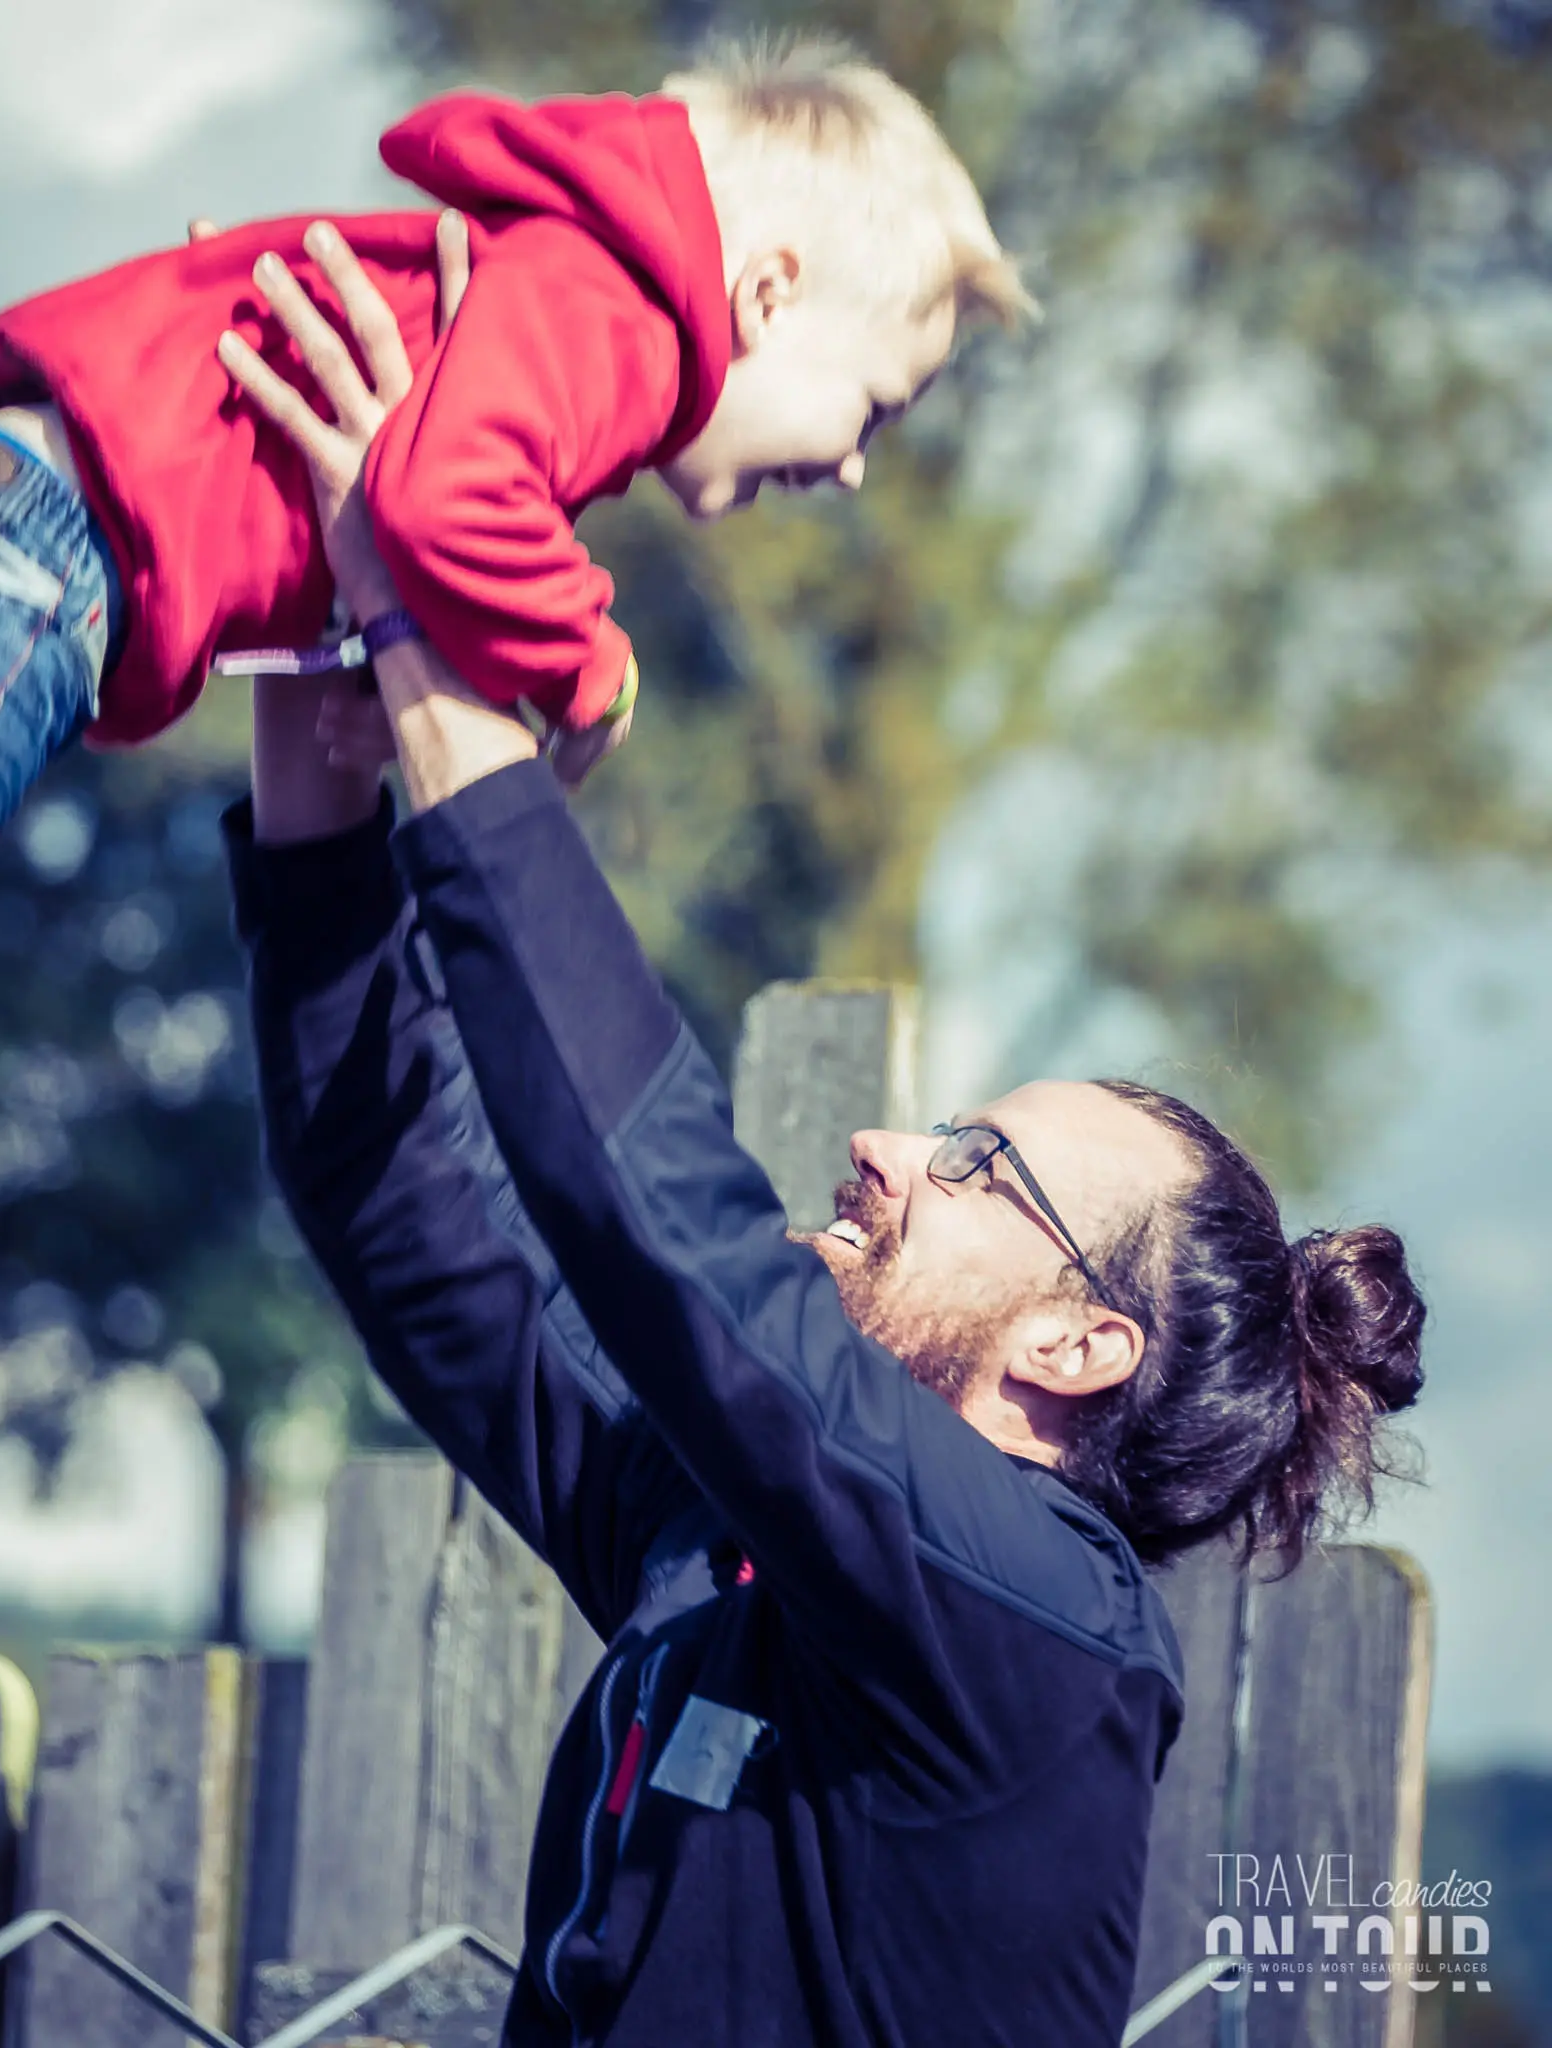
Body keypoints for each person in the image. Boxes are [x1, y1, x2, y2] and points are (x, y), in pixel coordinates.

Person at [0, 38, 1029, 1532]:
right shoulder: (621, 315)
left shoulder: (531, 285)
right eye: (874, 410)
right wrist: (584, 660)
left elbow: (379, 504)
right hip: (26, 555)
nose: (850, 471)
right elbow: (441, 498)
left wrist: (352, 660)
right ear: (763, 294)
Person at [220, 225, 1427, 2043]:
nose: (884, 1152)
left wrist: (424, 609)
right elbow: (407, 1216)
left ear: (1079, 1344)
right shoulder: (719, 1543)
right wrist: (325, 751)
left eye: (976, 1168)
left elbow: (671, 1246)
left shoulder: (1039, 1633)